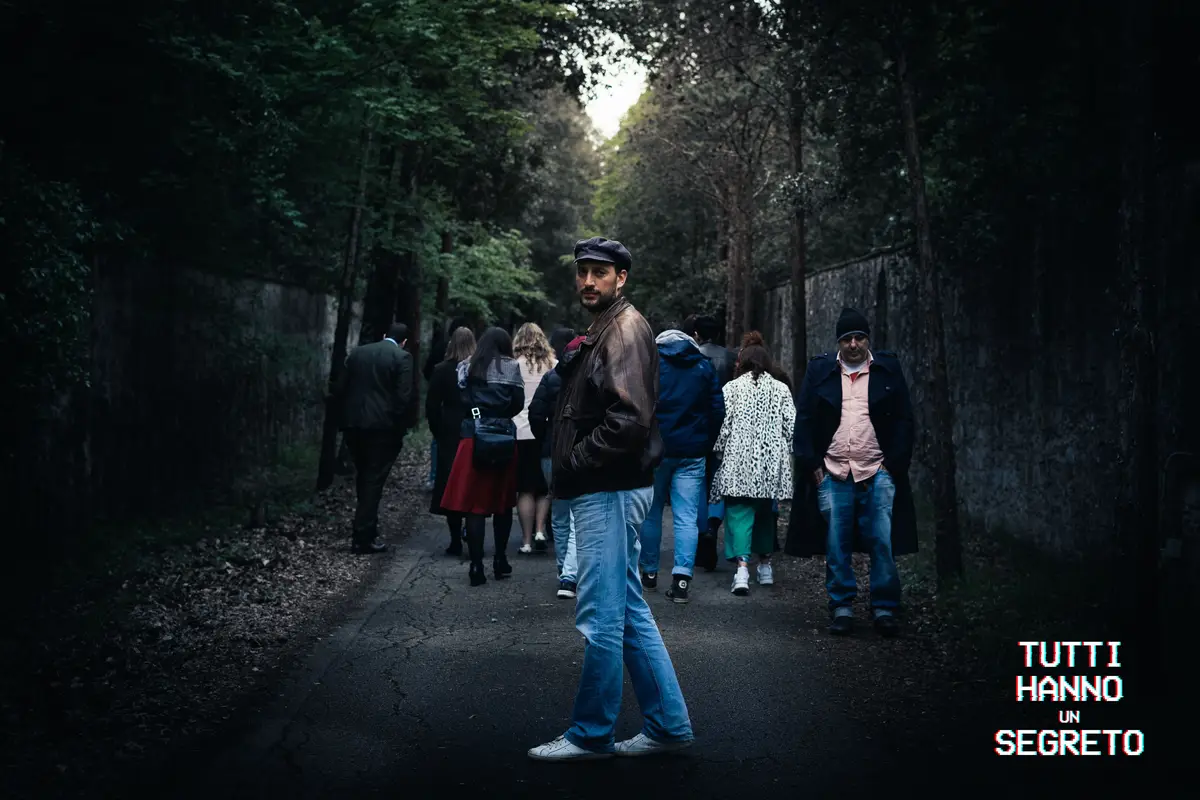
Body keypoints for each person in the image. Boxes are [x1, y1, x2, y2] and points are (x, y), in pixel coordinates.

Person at [528, 236, 692, 762]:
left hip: (608, 488)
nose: (588, 281)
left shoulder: (624, 328)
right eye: (582, 272)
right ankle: (668, 725)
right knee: (626, 611)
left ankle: (591, 732)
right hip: (606, 487)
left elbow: (630, 419)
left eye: (599, 272)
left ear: (621, 278)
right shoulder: (606, 326)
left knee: (600, 615)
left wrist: (576, 462)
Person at [786, 307, 918, 638]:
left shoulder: (887, 370)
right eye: (847, 339)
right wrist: (813, 467)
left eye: (859, 338)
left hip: (877, 471)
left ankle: (884, 607)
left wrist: (892, 466)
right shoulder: (822, 371)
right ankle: (842, 606)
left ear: (868, 340)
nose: (854, 344)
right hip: (834, 472)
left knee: (882, 542)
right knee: (836, 542)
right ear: (839, 342)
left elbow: (904, 419)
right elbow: (804, 419)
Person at [638, 328, 725, 603]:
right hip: (692, 452)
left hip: (656, 451)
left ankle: (649, 572)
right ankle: (682, 579)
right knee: (686, 515)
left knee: (651, 513)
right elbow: (717, 410)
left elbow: (639, 405)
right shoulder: (703, 367)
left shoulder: (651, 364)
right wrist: (705, 442)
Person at [438, 327, 525, 586]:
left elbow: (463, 399)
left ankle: (476, 565)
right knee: (503, 503)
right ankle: (500, 559)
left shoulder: (467, 366)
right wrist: (500, 415)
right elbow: (518, 403)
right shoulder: (512, 367)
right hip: (503, 437)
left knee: (474, 505)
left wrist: (479, 415)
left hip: (473, 438)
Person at [710, 344, 795, 595]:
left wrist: (718, 451)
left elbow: (723, 426)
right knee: (766, 515)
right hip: (769, 465)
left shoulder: (731, 389)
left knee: (739, 514)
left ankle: (742, 571)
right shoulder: (781, 390)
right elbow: (791, 427)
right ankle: (766, 567)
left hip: (738, 462)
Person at [335, 322, 414, 554]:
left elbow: (340, 388)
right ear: (404, 342)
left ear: (384, 334)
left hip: (354, 424)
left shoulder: (358, 353)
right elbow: (403, 397)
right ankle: (363, 536)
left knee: (364, 475)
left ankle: (366, 529)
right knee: (373, 479)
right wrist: (398, 426)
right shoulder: (402, 358)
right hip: (382, 428)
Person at [529, 327, 580, 599]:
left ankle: (564, 570)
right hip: (582, 453)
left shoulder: (551, 377)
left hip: (552, 451)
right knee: (576, 517)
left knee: (559, 515)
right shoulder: (591, 378)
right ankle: (570, 576)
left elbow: (535, 413)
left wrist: (545, 439)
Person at [686, 314, 737, 572]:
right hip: (725, 427)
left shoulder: (692, 357)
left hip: (697, 427)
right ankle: (713, 525)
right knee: (718, 481)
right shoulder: (730, 357)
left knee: (697, 482)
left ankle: (701, 530)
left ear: (696, 334)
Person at [425, 326, 476, 557]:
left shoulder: (441, 370)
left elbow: (432, 406)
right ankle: (472, 530)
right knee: (472, 481)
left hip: (449, 430)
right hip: (473, 428)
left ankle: (455, 538)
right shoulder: (479, 368)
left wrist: (438, 430)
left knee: (450, 483)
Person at [511, 322, 556, 555]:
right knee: (545, 487)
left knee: (525, 488)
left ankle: (526, 541)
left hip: (521, 432)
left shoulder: (514, 366)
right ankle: (540, 530)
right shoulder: (553, 365)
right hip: (546, 432)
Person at [423, 315, 470, 491]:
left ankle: (435, 478)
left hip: (446, 413)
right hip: (468, 417)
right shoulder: (477, 364)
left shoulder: (441, 352)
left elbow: (427, 371)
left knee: (439, 445)